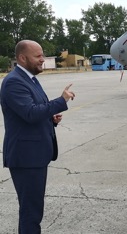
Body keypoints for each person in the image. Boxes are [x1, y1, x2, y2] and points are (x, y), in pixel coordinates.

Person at [0, 40, 75, 233]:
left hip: (35, 155)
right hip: (26, 157)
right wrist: (61, 101)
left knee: (34, 209)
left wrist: (51, 119)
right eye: (38, 56)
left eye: (42, 55)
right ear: (22, 58)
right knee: (31, 212)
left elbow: (35, 112)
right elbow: (31, 113)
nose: (43, 60)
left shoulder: (30, 78)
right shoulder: (14, 81)